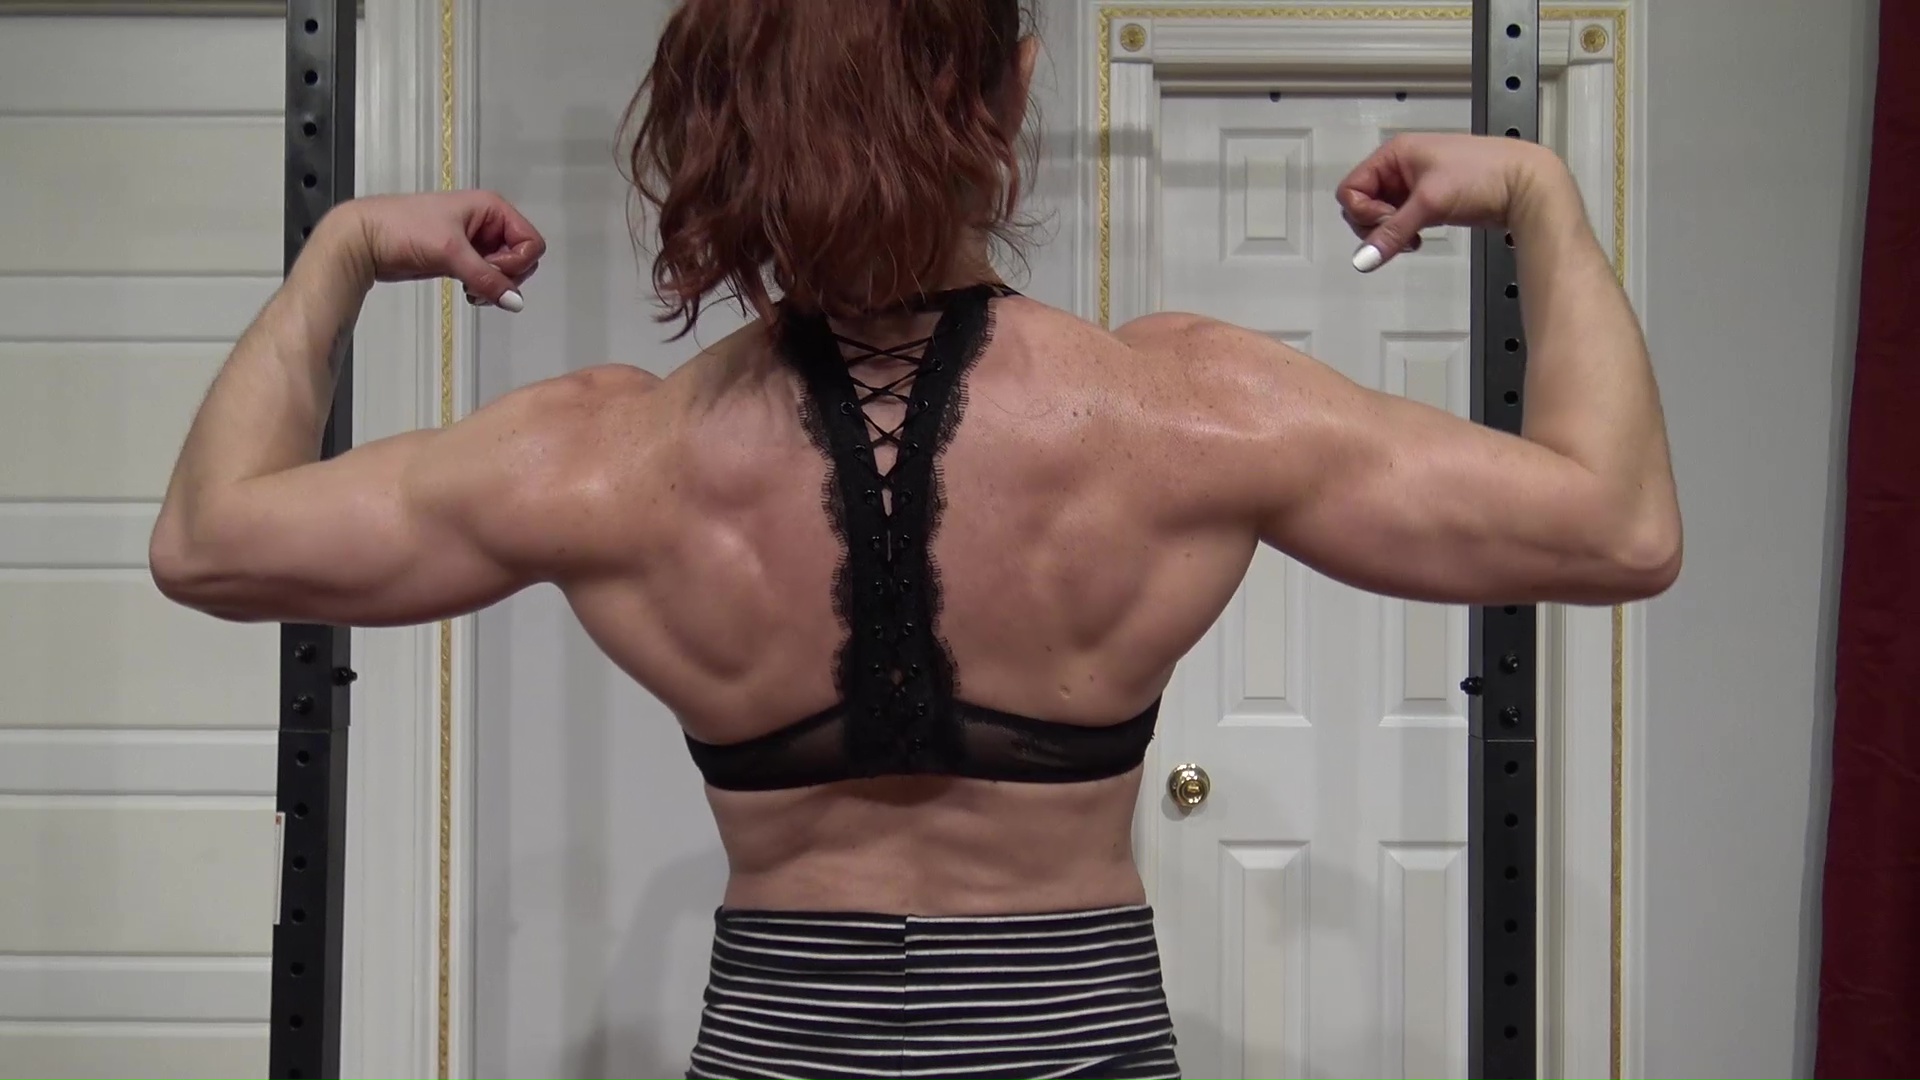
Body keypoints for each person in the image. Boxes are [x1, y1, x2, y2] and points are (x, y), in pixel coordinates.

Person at [150, 1, 1679, 1076]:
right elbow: (1618, 526)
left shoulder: (608, 457)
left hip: (776, 1044)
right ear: (1009, 93)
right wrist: (1540, 196)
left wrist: (342, 252)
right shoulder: (1188, 410)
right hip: (1077, 1039)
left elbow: (209, 540)